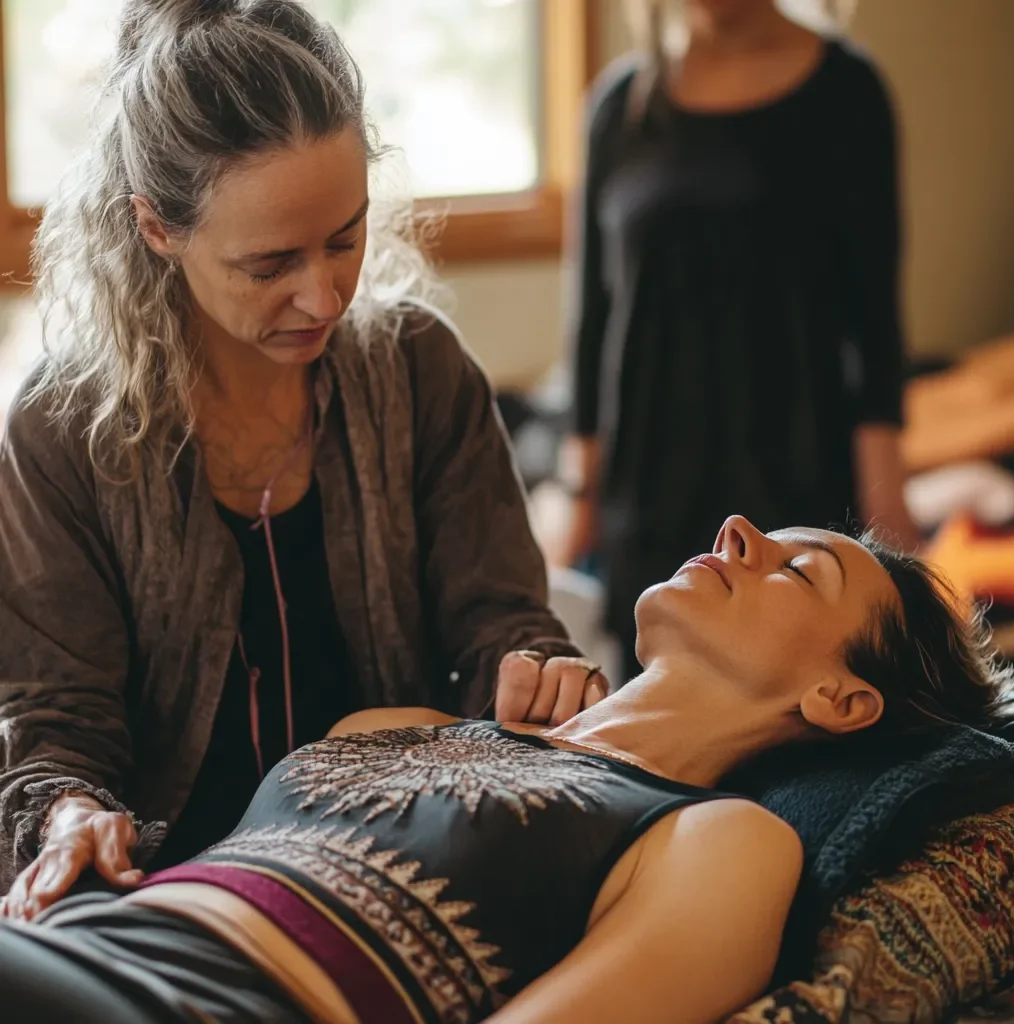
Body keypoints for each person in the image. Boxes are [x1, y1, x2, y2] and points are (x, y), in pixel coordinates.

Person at [0, 0, 609, 915]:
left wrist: (536, 670)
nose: (322, 296)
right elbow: (58, 727)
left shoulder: (419, 371)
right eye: (269, 264)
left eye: (346, 237)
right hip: (172, 890)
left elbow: (498, 622)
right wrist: (71, 813)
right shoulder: (63, 432)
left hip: (402, 866)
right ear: (158, 229)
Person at [0, 515, 1014, 1024]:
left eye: (800, 569)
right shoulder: (396, 724)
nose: (736, 530)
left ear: (842, 700)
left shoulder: (717, 839)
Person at [554, 0, 921, 676]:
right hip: (650, 494)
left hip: (796, 494)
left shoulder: (847, 90)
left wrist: (887, 513)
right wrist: (579, 500)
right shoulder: (620, 107)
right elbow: (592, 321)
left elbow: (873, 324)